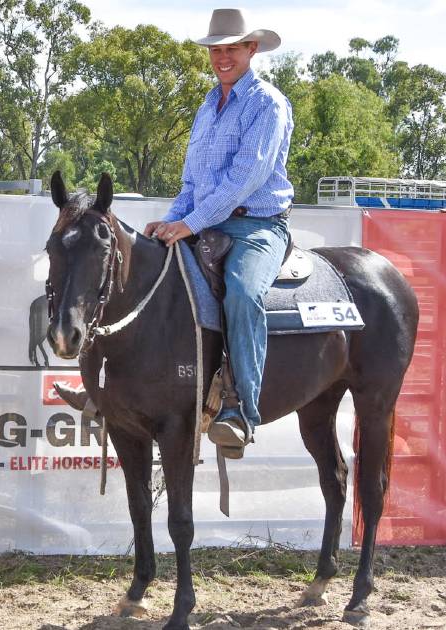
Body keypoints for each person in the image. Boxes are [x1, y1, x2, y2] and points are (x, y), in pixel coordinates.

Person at [143, 8, 294, 458]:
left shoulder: (268, 103)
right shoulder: (207, 107)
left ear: (252, 49)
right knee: (152, 274)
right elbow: (192, 183)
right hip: (206, 218)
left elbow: (245, 177)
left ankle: (241, 411)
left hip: (257, 224)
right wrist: (171, 221)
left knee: (243, 293)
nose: (223, 57)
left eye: (232, 48)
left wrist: (189, 224)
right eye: (216, 49)